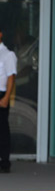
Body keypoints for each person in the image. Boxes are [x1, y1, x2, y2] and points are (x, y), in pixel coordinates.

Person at [0, 25, 17, 174]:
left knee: (2, 129)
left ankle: (5, 162)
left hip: (1, 94)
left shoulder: (7, 54)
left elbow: (11, 77)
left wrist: (6, 97)